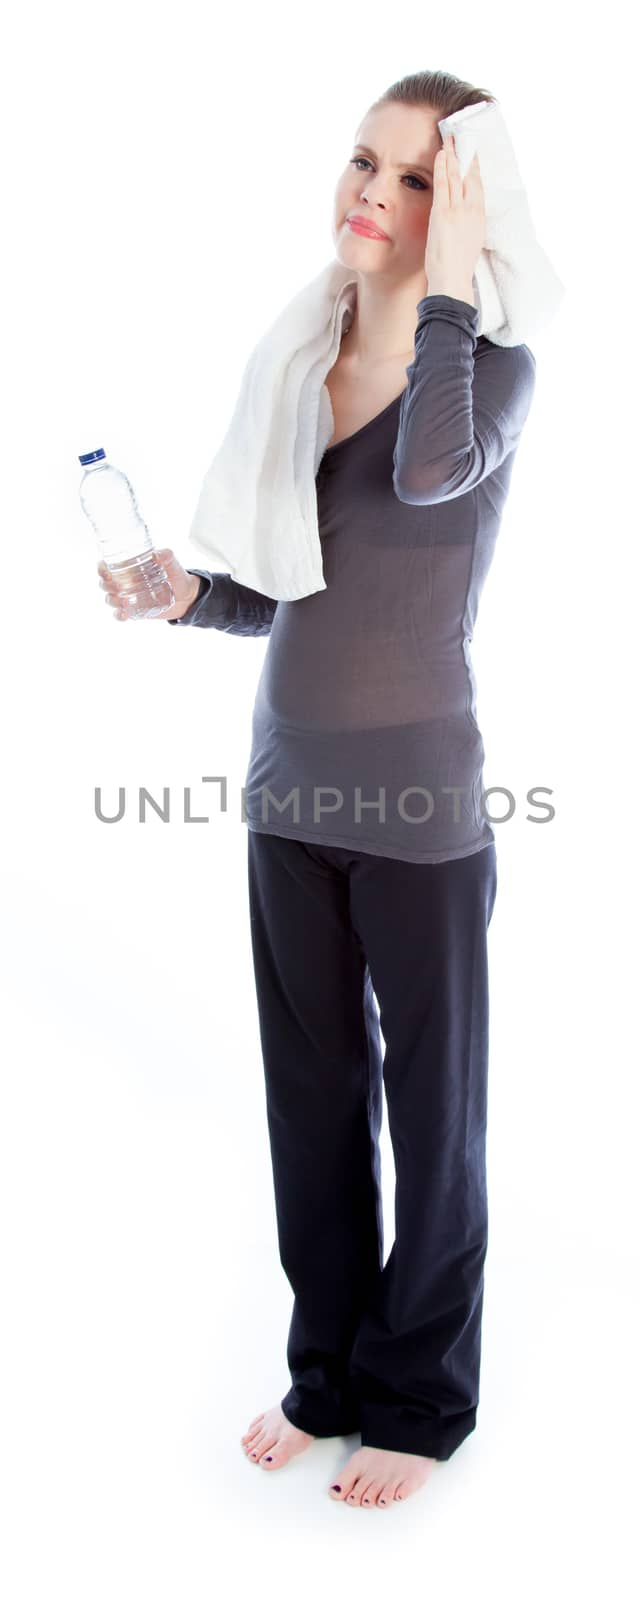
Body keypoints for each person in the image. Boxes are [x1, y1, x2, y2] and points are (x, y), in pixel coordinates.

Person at [98, 69, 537, 1511]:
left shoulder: (487, 370)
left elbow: (423, 478)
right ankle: (329, 1375)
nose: (372, 191)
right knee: (310, 1104)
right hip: (285, 800)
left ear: (463, 208)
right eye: (364, 159)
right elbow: (286, 592)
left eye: (417, 177)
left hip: (419, 815)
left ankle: (421, 1401)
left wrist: (448, 293)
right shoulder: (302, 352)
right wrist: (184, 598)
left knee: (435, 1121)